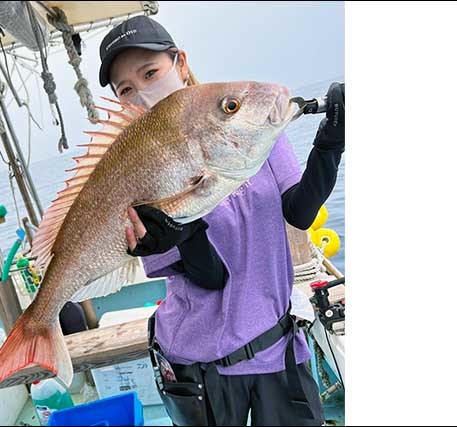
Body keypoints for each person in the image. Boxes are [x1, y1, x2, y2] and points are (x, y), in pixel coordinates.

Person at [98, 15, 344, 426]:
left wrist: (330, 144)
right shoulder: (140, 172)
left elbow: (299, 211)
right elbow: (209, 276)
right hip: (202, 366)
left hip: (277, 348)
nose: (143, 92)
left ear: (180, 63)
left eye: (150, 72)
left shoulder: (251, 122)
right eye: (126, 89)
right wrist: (182, 227)